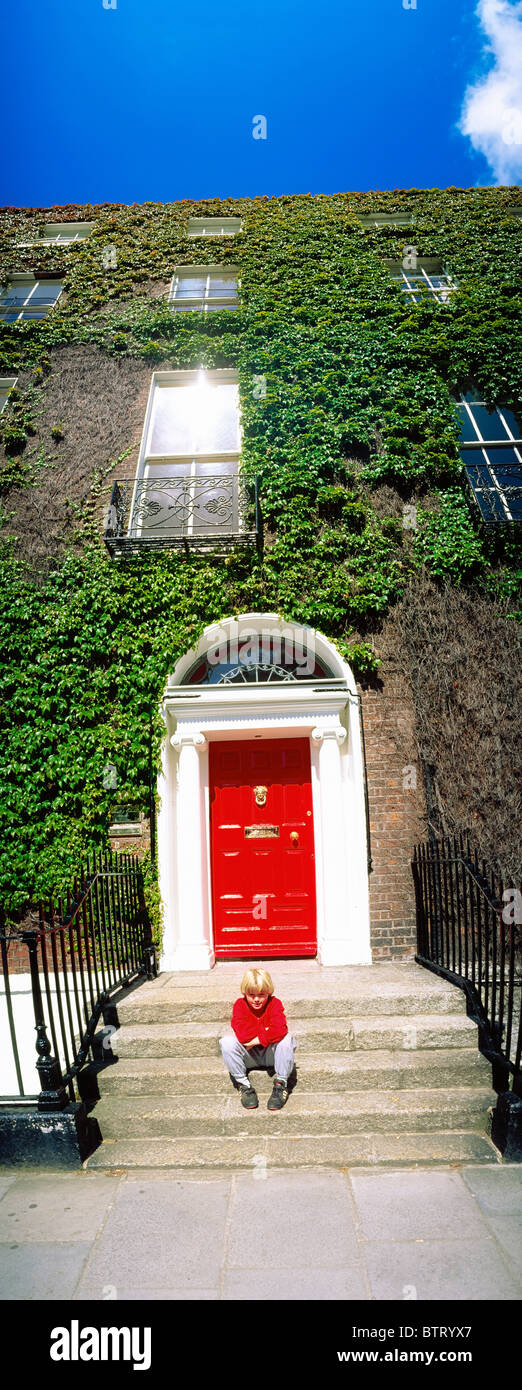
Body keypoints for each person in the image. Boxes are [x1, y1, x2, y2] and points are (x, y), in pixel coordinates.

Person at [219, 968, 296, 1111]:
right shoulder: (240, 1005)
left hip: (271, 1055)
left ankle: (281, 1085)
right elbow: (242, 1035)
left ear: (269, 992)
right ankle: (244, 1085)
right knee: (226, 1042)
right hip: (249, 1056)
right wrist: (267, 1031)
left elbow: (280, 1029)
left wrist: (256, 1040)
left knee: (287, 1039)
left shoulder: (275, 1004)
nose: (256, 999)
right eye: (251, 994)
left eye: (261, 995)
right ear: (244, 993)